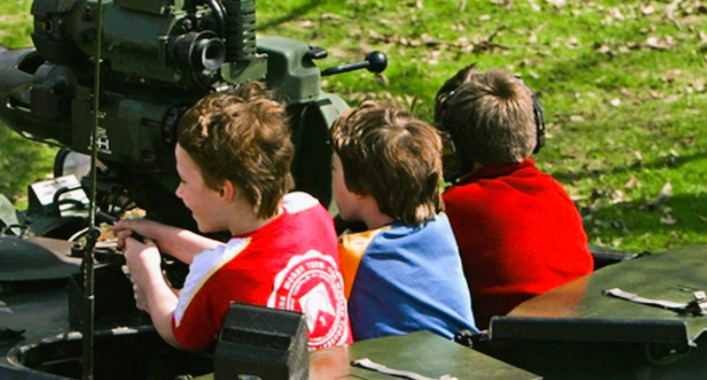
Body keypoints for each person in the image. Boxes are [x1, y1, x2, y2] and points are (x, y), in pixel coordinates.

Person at [113, 82, 352, 351]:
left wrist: (148, 275)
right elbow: (256, 263)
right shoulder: (310, 210)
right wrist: (163, 236)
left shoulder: (222, 271)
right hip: (340, 377)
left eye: (184, 181)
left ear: (224, 190)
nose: (179, 192)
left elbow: (176, 332)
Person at [435, 65, 593, 328]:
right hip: (580, 337)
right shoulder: (554, 191)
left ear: (452, 147)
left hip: (509, 355)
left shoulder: (454, 207)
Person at [331, 101, 477, 341]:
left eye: (335, 170)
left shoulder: (355, 252)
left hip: (398, 374)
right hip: (461, 363)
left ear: (357, 186)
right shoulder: (440, 225)